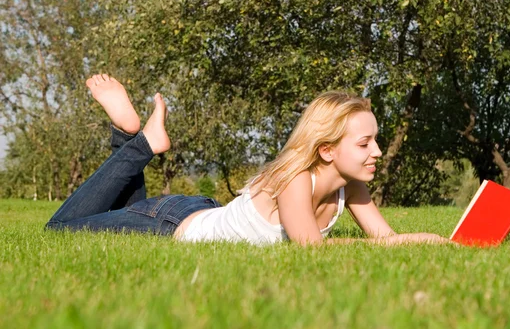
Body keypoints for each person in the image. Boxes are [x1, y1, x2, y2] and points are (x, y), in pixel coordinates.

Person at [46, 74, 450, 246]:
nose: (377, 151)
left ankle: (127, 135)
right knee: (60, 228)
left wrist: (437, 242)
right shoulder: (296, 179)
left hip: (201, 211)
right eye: (365, 143)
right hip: (171, 222)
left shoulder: (351, 185)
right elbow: (310, 247)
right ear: (326, 150)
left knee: (123, 212)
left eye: (375, 141)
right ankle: (140, 144)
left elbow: (385, 240)